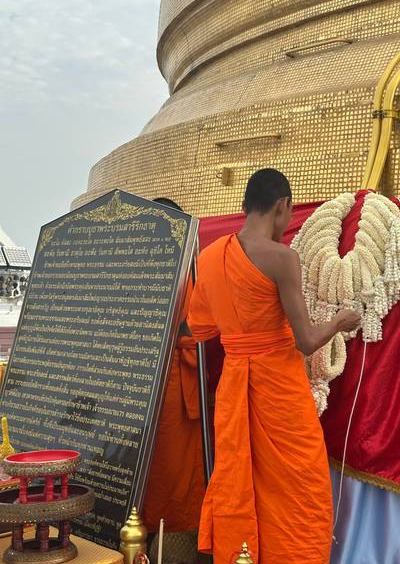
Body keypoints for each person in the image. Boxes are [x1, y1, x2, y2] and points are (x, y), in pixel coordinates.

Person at [187, 169, 360, 564]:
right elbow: (306, 340)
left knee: (239, 478)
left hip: (234, 386)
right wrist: (338, 322)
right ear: (283, 206)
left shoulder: (211, 256)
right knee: (302, 486)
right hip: (279, 391)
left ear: (246, 206)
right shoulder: (282, 258)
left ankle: (241, 554)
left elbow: (199, 326)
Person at [142, 198, 205, 558]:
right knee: (170, 483)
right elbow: (196, 334)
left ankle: (153, 543)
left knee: (166, 480)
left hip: (159, 388)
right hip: (169, 392)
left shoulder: (180, 269)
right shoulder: (175, 270)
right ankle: (164, 548)